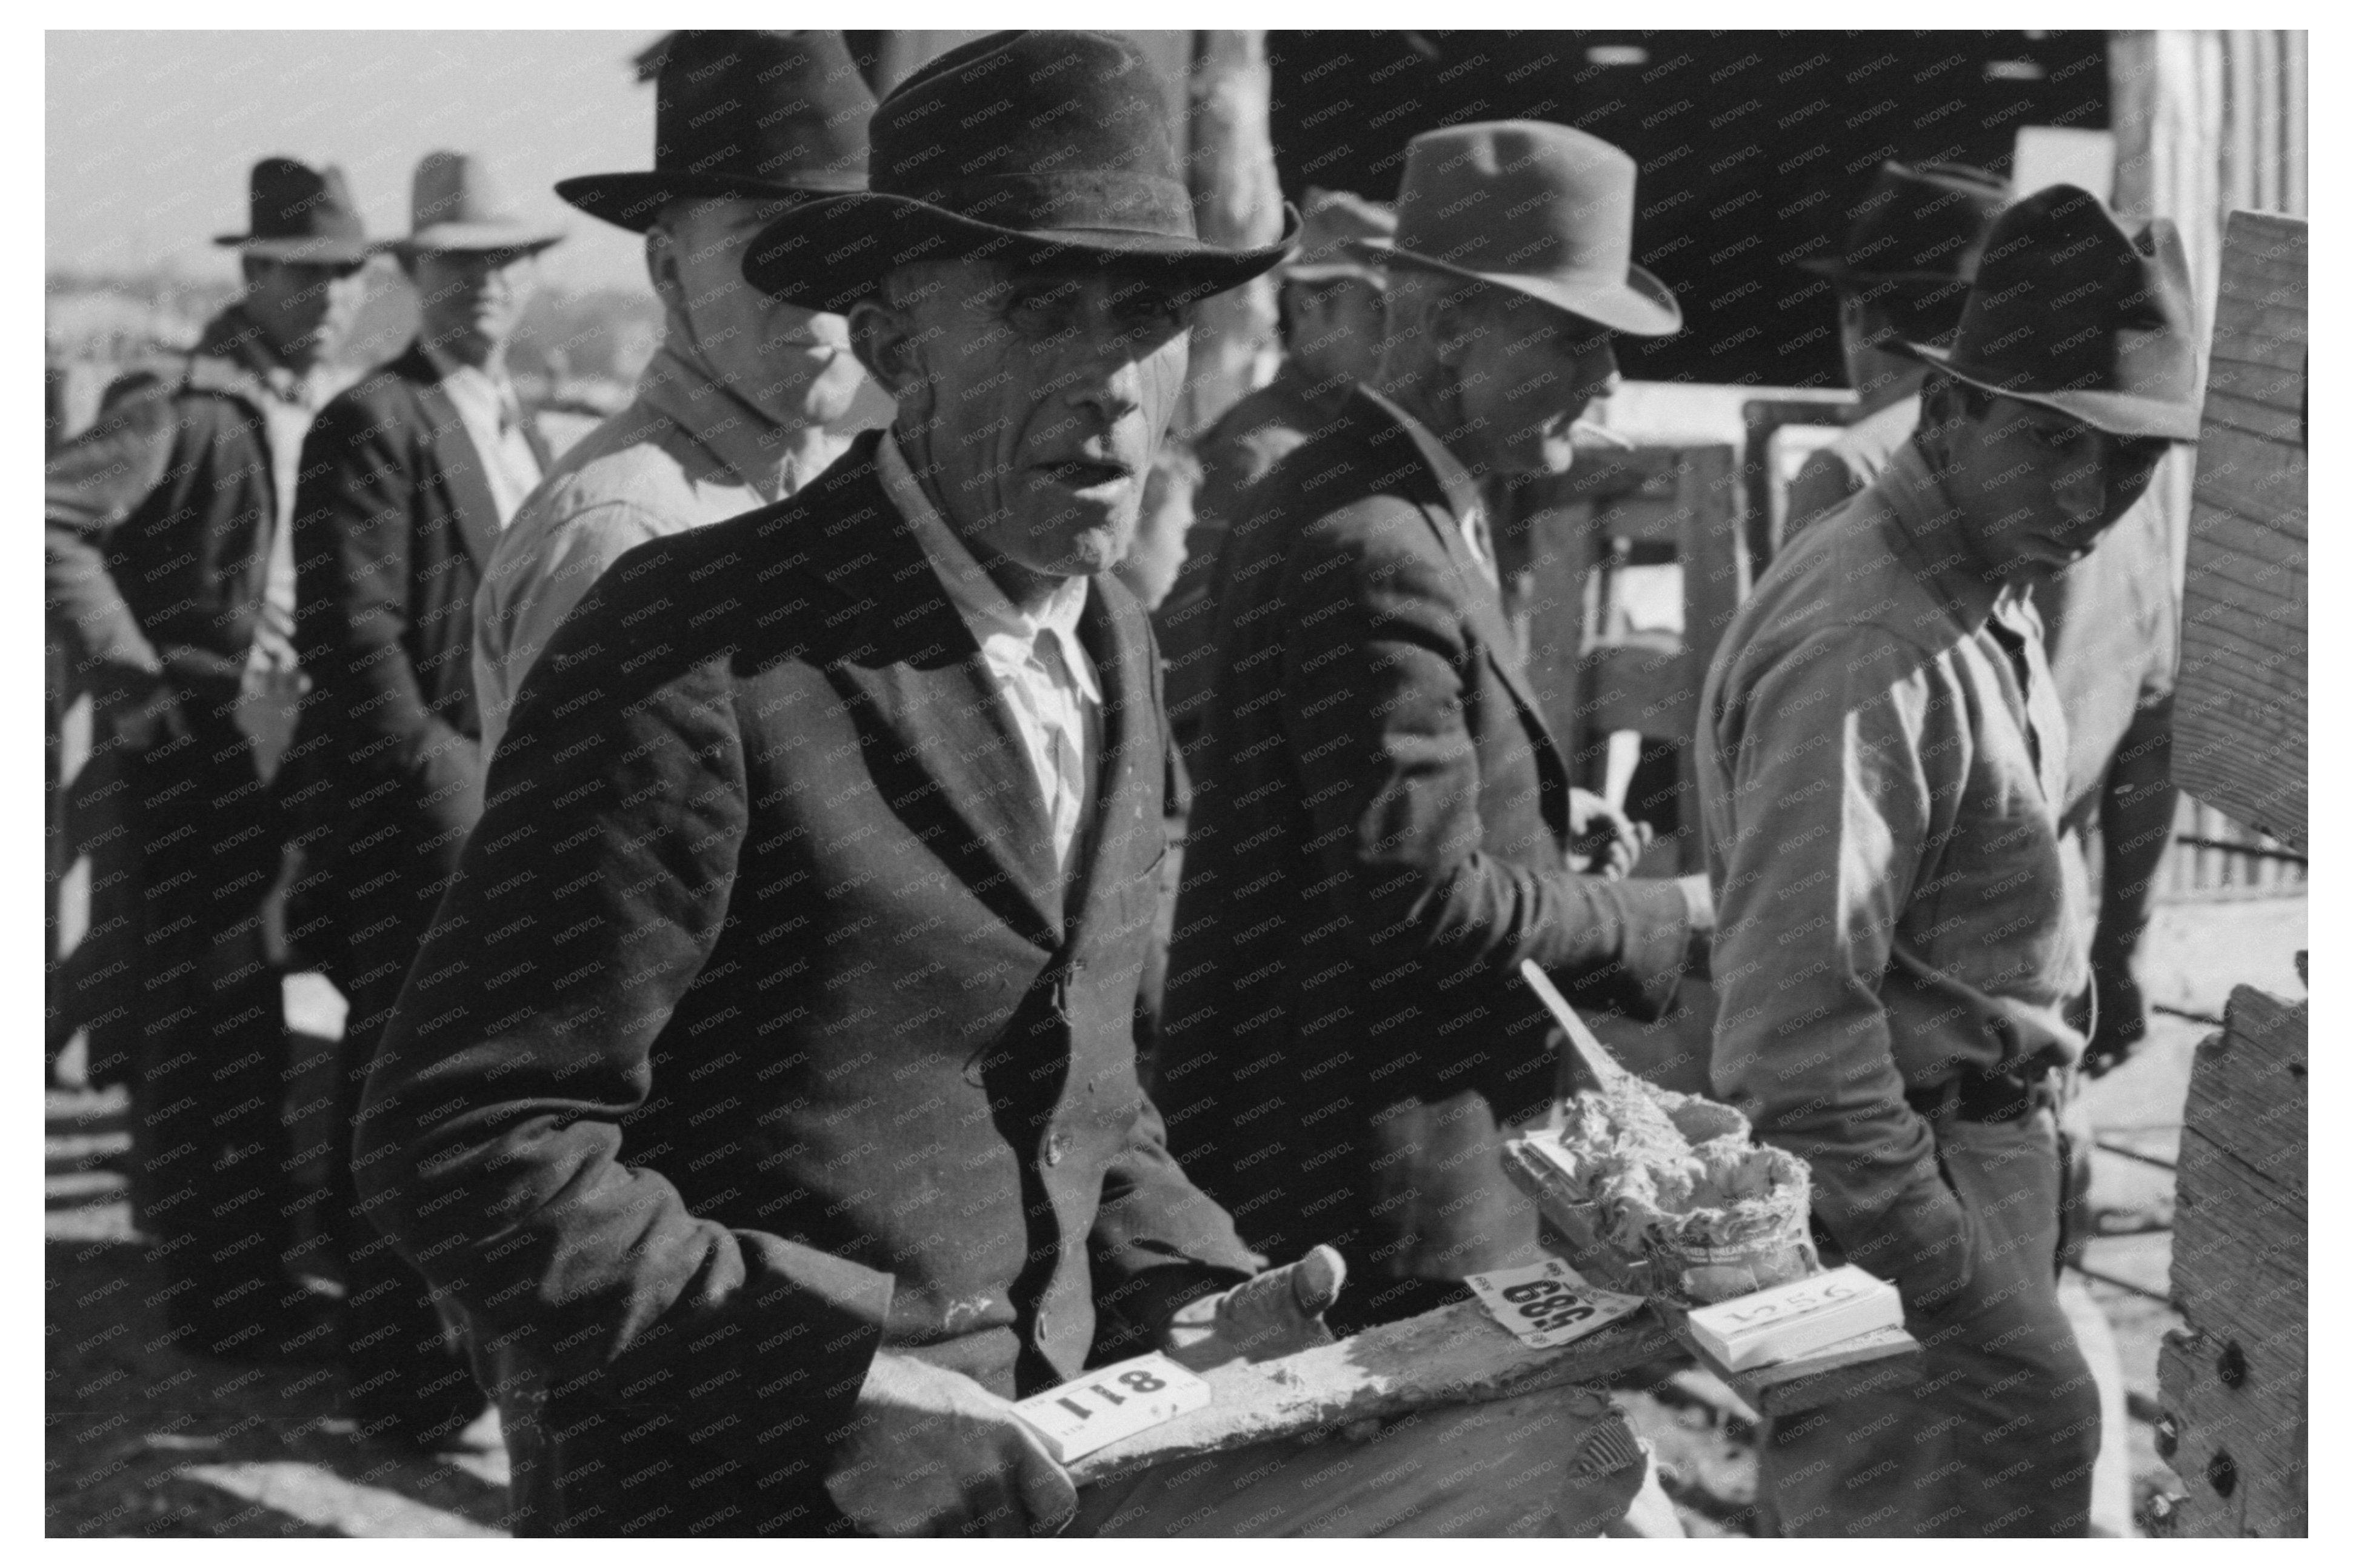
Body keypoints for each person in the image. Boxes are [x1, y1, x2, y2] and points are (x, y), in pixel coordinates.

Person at [350, 33, 1353, 1537]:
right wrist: (816, 1381)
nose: (1112, 385)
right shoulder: (694, 641)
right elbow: (465, 1136)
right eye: (1032, 307)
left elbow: (1080, 1092)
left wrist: (1194, 1286)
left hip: (1037, 1477)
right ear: (890, 347)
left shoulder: (1114, 646)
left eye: (1147, 315)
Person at [1697, 185, 2199, 1538]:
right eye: (2053, 443)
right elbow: (1797, 1055)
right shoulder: (1876, 641)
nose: (2093, 500)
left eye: (2135, 465)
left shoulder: (1974, 577)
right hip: (1907, 1187)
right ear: (1951, 407)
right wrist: (1962, 1284)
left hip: (1967, 1155)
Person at [1155, 123, 1712, 1335]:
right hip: (1374, 1200)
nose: (1607, 376)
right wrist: (1672, 919)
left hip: (1384, 1167)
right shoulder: (1373, 543)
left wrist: (1537, 815)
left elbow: (1364, 811)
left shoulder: (1396, 504)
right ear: (1456, 327)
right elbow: (1417, 900)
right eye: (1576, 336)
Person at [45, 156, 370, 1361]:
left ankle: (269, 1262)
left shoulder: (336, 402)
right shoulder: (180, 402)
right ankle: (223, 1297)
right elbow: (48, 522)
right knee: (208, 1023)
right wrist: (132, 677)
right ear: (251, 272)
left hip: (308, 756)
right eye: (305, 275)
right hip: (200, 754)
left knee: (284, 1005)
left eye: (348, 275)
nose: (330, 298)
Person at [1789, 162, 2179, 1080]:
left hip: (1907, 1003)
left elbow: (1822, 807)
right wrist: (2119, 948)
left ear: (1857, 316)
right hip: (2053, 969)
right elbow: (2153, 732)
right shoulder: (2133, 478)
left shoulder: (1857, 473)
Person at [290, 148, 562, 1452]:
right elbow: (361, 658)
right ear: (416, 275)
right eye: (461, 263)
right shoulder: (374, 422)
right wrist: (472, 821)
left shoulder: (521, 422)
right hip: (421, 845)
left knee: (483, 1117)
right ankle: (399, 1382)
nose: (487, 285)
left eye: (507, 260)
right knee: (399, 1108)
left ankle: (459, 1368)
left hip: (511, 835)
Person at [470, 30, 893, 762]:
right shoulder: (627, 540)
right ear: (669, 270)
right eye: (769, 243)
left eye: (847, 240)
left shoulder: (832, 493)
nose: (817, 287)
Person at [1158, 187, 1395, 757]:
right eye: (1380, 310)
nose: (1403, 334)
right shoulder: (1258, 458)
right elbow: (1190, 677)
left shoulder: (1352, 443)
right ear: (1311, 308)